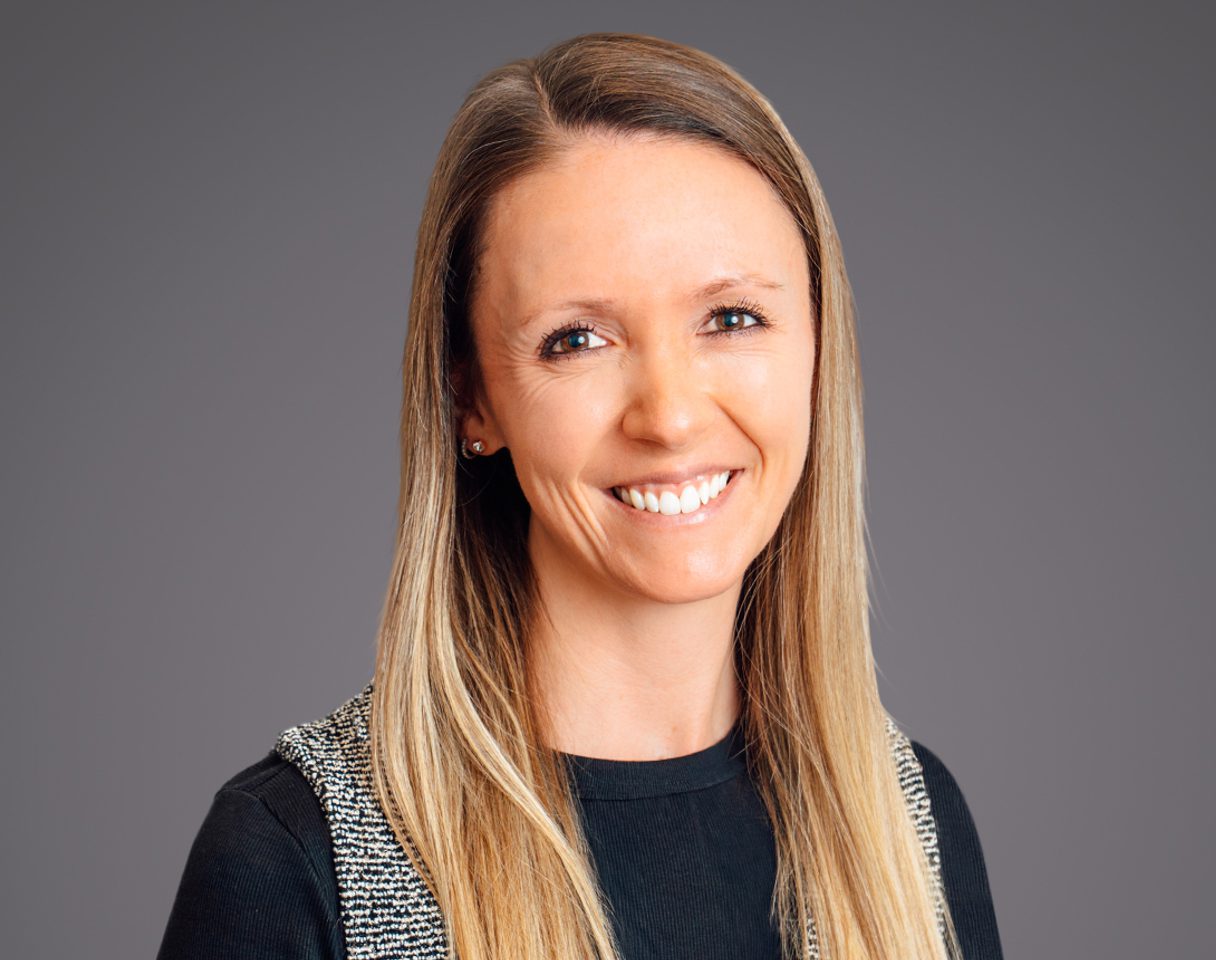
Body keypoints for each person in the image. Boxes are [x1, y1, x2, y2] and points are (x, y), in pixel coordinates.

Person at [157, 32, 1003, 960]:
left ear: (818, 346)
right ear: (472, 399)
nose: (672, 416)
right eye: (578, 339)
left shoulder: (906, 820)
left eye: (731, 318)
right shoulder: (295, 860)